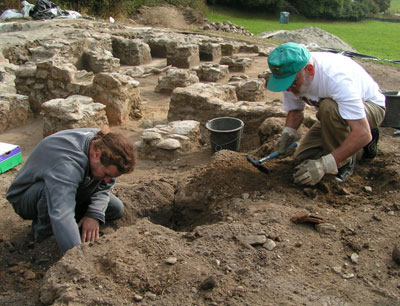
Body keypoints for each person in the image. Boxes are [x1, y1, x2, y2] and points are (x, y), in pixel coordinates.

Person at [266, 42, 386, 185]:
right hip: (335, 115)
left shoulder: (336, 78)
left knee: (328, 107)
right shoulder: (293, 75)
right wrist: (287, 134)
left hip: (370, 108)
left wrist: (325, 164)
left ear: (309, 70)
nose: (289, 89)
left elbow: (363, 133)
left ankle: (344, 164)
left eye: (292, 83)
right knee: (303, 158)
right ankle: (358, 148)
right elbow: (295, 110)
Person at [6, 128, 136, 253]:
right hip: (26, 197)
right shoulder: (68, 164)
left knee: (115, 208)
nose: (108, 180)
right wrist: (77, 257)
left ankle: (69, 228)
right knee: (52, 197)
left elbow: (104, 187)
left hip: (68, 186)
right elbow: (62, 214)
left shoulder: (104, 144)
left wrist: (93, 215)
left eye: (112, 177)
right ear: (96, 155)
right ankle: (44, 238)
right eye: (107, 174)